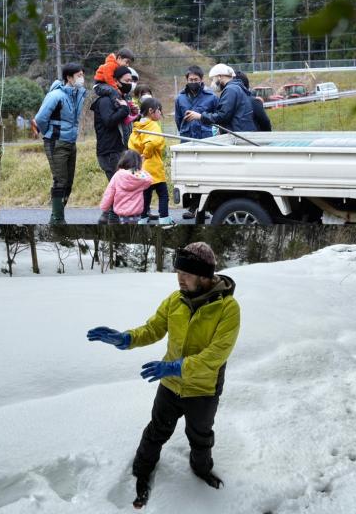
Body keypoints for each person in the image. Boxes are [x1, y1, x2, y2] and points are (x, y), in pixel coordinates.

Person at [86, 242, 240, 508]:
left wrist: (176, 366)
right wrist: (127, 338)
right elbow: (153, 328)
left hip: (203, 390)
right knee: (156, 430)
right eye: (178, 272)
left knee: (201, 437)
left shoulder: (228, 308)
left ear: (205, 275)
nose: (180, 278)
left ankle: (201, 469)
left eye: (187, 273)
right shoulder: (175, 300)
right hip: (170, 385)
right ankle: (141, 469)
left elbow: (217, 354)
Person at [33, 63, 87, 225]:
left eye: (82, 75)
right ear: (68, 78)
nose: (81, 78)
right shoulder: (56, 95)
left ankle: (55, 216)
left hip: (71, 142)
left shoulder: (76, 94)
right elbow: (40, 118)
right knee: (60, 180)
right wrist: (49, 133)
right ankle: (58, 219)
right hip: (56, 142)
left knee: (68, 183)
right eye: (78, 75)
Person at [129, 97, 173, 226]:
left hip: (142, 167)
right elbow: (153, 141)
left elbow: (132, 144)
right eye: (159, 110)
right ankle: (164, 218)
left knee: (145, 195)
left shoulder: (137, 125)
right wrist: (146, 154)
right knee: (163, 194)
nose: (160, 113)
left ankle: (142, 219)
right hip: (153, 166)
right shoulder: (153, 125)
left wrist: (140, 155)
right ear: (151, 111)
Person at [92, 65, 135, 185]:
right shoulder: (105, 101)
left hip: (121, 149)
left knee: (123, 189)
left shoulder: (121, 99)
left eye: (131, 81)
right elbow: (109, 122)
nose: (130, 84)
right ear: (116, 81)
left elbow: (125, 122)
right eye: (127, 81)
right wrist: (124, 110)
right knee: (118, 189)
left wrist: (134, 113)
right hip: (110, 152)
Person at [182, 64, 255, 133]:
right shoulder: (237, 88)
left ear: (219, 77)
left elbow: (222, 116)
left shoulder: (230, 90)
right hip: (242, 131)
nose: (212, 82)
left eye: (213, 79)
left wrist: (200, 116)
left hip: (237, 134)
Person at [100, 150, 153, 224]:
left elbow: (109, 193)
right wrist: (141, 169)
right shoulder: (140, 176)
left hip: (122, 212)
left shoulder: (118, 175)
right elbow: (150, 180)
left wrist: (104, 207)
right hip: (136, 212)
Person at [174, 65, 218, 141]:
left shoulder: (212, 97)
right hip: (186, 138)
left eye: (196, 79)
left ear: (201, 79)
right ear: (187, 80)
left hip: (206, 139)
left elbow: (217, 117)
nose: (193, 82)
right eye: (191, 80)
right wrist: (185, 129)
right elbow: (178, 120)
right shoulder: (180, 98)